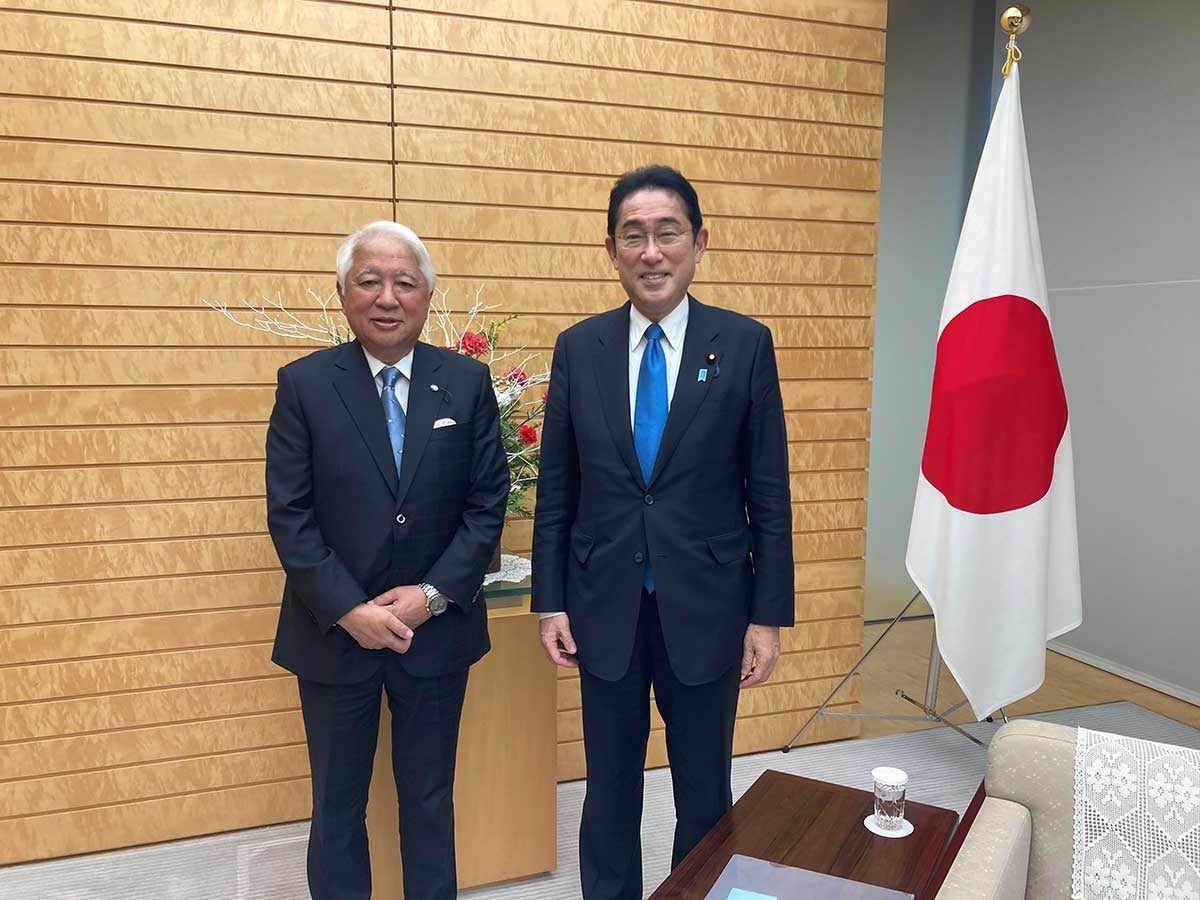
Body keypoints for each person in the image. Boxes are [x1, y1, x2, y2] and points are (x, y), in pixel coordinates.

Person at [531, 166, 795, 900]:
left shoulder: (743, 344)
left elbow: (768, 492)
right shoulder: (579, 348)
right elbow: (557, 489)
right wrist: (551, 602)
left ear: (699, 242)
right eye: (633, 236)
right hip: (603, 604)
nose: (651, 252)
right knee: (609, 789)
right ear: (610, 250)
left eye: (667, 233)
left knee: (704, 790)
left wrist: (767, 617)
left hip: (709, 605)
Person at [265, 220, 509, 900]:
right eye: (369, 281)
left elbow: (487, 504)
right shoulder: (305, 385)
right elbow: (290, 514)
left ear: (427, 295)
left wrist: (430, 596)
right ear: (343, 294)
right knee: (337, 807)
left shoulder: (466, 383)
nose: (387, 297)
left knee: (429, 799)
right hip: (333, 633)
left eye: (404, 282)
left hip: (436, 630)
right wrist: (349, 609)